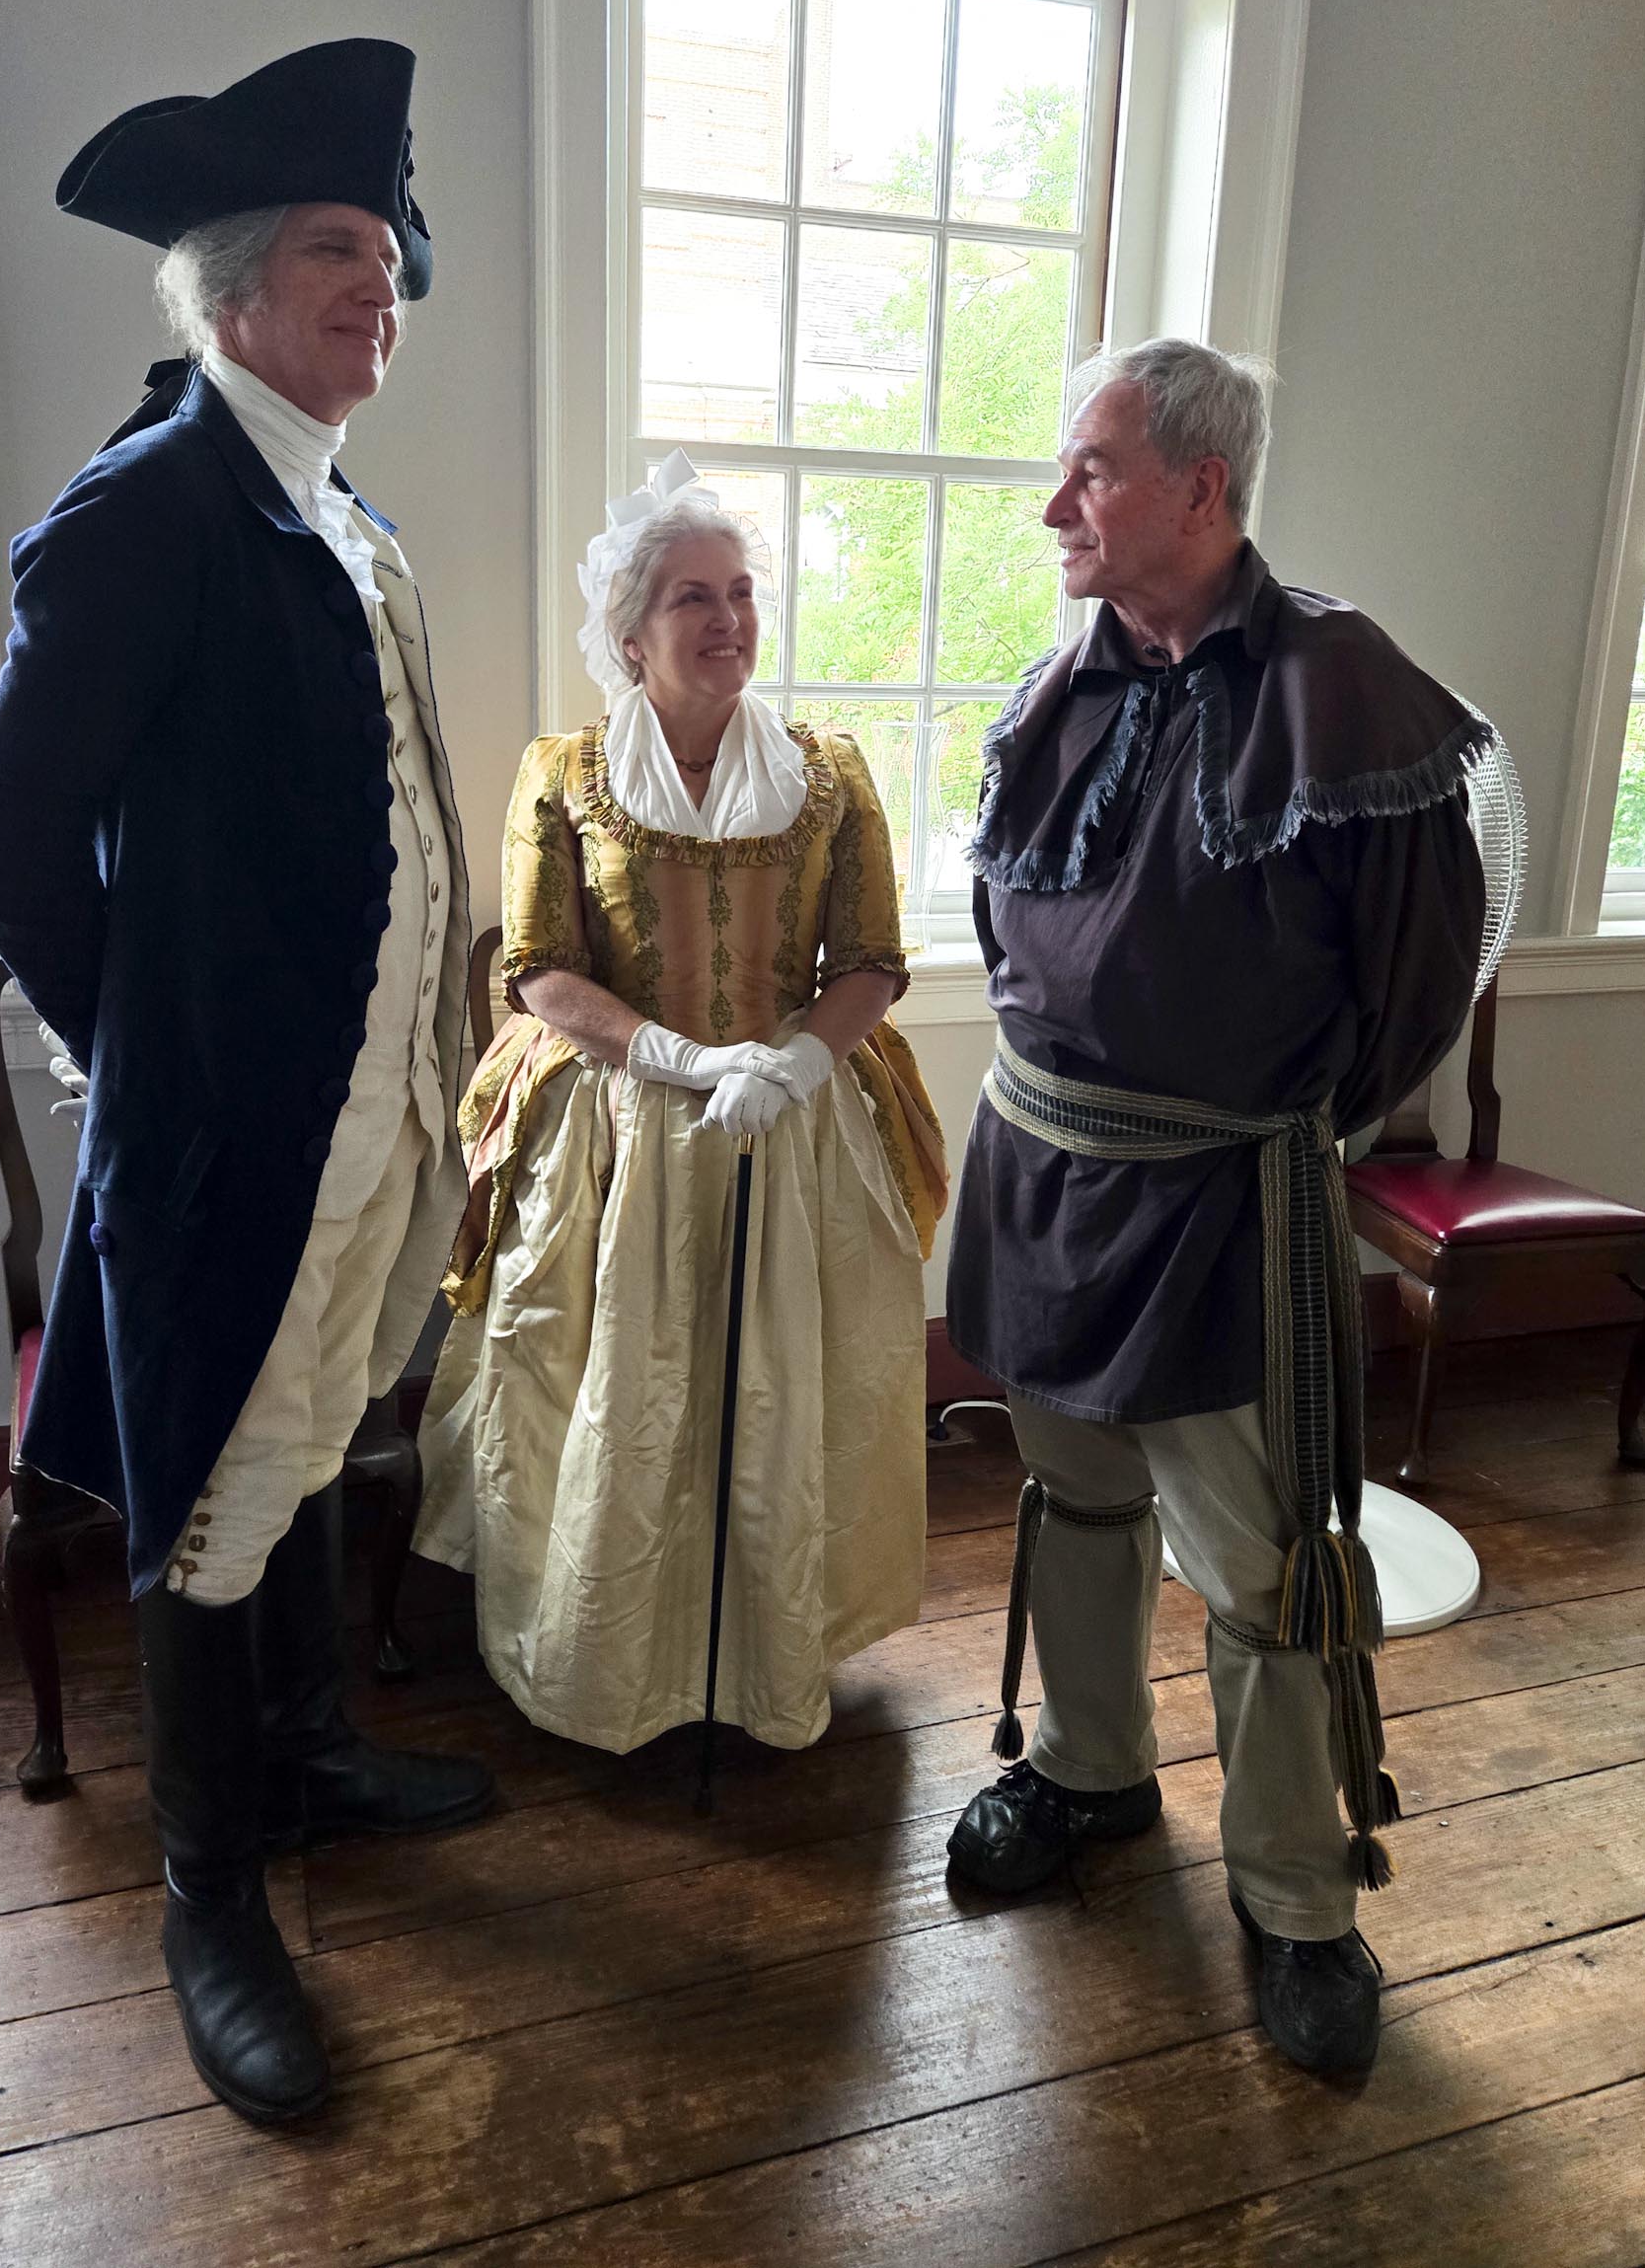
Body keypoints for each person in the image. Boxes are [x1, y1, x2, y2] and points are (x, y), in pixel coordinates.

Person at [0, 40, 493, 2125]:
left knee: (313, 1430)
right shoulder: (149, 509)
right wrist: (150, 1056)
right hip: (230, 1138)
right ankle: (211, 1892)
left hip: (366, 1114)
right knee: (206, 1498)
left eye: (387, 253)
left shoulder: (342, 514)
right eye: (337, 250)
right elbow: (11, 836)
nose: (380, 285)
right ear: (233, 286)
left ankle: (308, 1752)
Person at [942, 339, 1510, 2077]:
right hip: (1043, 1172)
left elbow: (1416, 981)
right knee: (1075, 1494)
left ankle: (1297, 1898)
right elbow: (1007, 919)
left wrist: (1258, 1125)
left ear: (1201, 486)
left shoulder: (1346, 688)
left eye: (1093, 470)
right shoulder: (1066, 682)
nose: (1056, 505)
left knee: (1263, 1563)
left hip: (1222, 1201)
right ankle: (1091, 1769)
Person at [414, 453, 947, 1758]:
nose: (728, 620)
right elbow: (538, 970)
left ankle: (765, 1650)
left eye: (742, 592)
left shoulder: (830, 773)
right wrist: (679, 1059)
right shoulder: (564, 773)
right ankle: (604, 1653)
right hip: (619, 1121)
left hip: (794, 1118)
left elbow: (870, 960)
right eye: (693, 598)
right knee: (618, 1384)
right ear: (631, 634)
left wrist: (794, 1063)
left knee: (779, 1386)